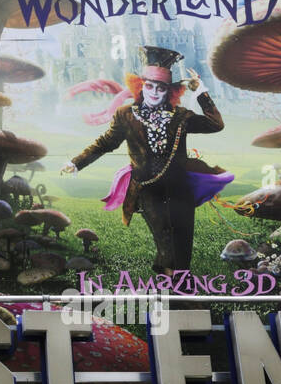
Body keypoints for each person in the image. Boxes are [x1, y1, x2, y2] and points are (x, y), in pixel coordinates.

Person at [61, 47, 231, 276]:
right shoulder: (126, 115)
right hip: (148, 190)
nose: (154, 92)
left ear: (168, 92)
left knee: (183, 242)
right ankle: (168, 286)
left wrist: (200, 91)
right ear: (141, 86)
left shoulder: (181, 116)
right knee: (165, 245)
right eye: (149, 86)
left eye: (160, 88)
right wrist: (77, 163)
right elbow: (106, 142)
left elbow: (216, 124)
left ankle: (181, 291)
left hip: (180, 189)